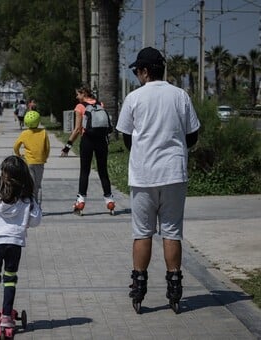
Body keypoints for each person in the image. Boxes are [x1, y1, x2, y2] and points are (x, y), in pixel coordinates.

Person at [116, 47, 200, 313]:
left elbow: (127, 137)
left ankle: (139, 284)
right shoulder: (180, 96)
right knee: (172, 232)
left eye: (137, 71)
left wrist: (143, 153)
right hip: (174, 174)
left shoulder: (134, 98)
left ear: (144, 71)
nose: (137, 75)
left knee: (142, 232)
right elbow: (192, 136)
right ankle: (174, 285)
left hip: (143, 176)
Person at [0, 155, 42, 330]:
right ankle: (6, 317)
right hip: (14, 244)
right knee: (10, 280)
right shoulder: (27, 199)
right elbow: (35, 221)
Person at [60, 85, 115, 215]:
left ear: (83, 93)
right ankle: (110, 201)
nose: (76, 97)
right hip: (102, 141)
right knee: (103, 171)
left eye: (78, 94)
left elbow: (78, 129)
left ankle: (80, 201)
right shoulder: (100, 104)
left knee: (85, 171)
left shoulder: (80, 107)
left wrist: (67, 147)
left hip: (87, 141)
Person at [13, 110, 50, 204]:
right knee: (37, 185)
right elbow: (47, 147)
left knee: (30, 183)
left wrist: (19, 155)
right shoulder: (43, 132)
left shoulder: (24, 133)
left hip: (28, 162)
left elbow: (16, 146)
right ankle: (35, 203)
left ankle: (29, 203)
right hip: (40, 162)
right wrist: (44, 157)